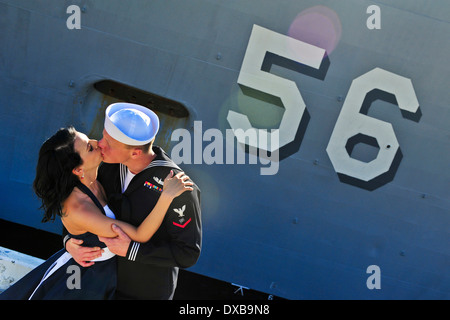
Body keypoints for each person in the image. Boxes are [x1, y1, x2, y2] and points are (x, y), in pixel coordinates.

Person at [0, 126, 192, 300]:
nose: (97, 143)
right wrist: (167, 196)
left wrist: (68, 242)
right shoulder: (79, 208)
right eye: (90, 148)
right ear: (78, 169)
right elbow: (140, 235)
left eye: (89, 139)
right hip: (82, 279)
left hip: (103, 273)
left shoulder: (97, 178)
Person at [65, 102, 202, 299]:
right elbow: (78, 207)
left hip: (142, 293)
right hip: (97, 283)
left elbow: (187, 253)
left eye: (109, 143)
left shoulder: (179, 189)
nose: (100, 144)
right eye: (103, 135)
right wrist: (69, 242)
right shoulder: (105, 167)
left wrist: (133, 250)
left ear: (135, 152)